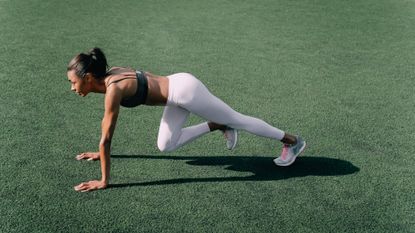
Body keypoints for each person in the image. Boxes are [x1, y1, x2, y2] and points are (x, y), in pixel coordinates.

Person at [68, 48, 306, 192]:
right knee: (165, 145)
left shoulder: (113, 90)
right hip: (175, 96)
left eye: (73, 82)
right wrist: (102, 153)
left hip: (185, 91)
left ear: (88, 78)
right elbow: (106, 141)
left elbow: (106, 139)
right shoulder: (113, 74)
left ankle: (292, 141)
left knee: (238, 119)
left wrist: (103, 180)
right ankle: (217, 124)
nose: (72, 88)